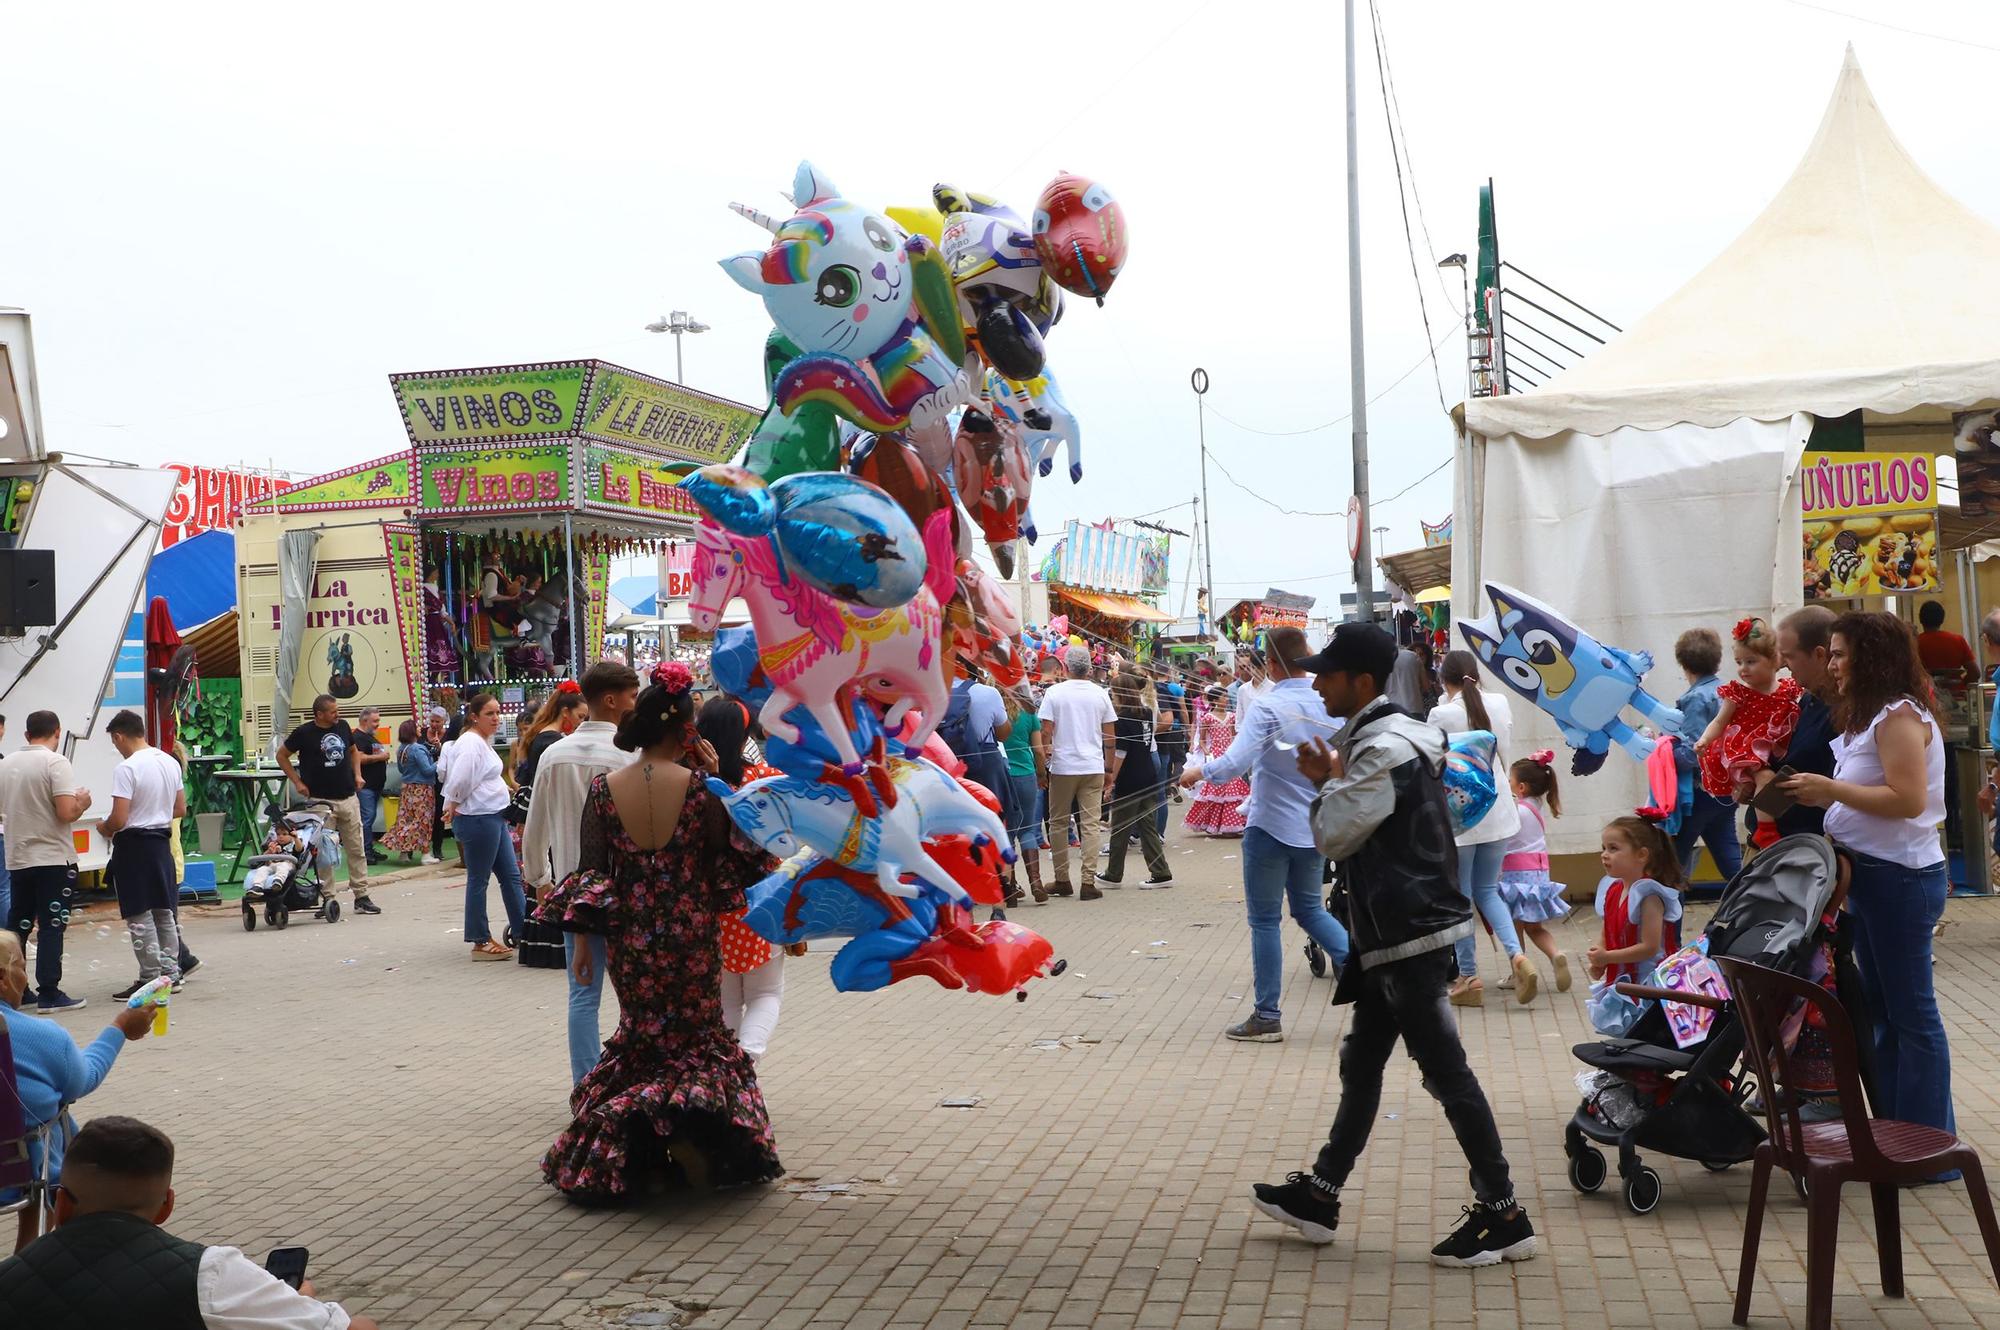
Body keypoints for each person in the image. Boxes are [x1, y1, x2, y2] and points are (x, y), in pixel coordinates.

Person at [1252, 623, 1536, 1268]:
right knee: (1362, 1061)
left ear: (1364, 682)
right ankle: (1320, 1194)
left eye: (1327, 675)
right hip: (1394, 930)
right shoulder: (1393, 736)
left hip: (1409, 932)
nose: (1316, 684)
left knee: (1447, 1075)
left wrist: (1328, 782)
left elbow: (1333, 834)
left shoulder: (1383, 748)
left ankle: (1505, 1213)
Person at [533, 661, 784, 1204]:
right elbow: (731, 860)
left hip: (632, 938)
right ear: (685, 730)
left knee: (642, 1037)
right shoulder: (700, 789)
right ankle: (699, 1140)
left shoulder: (603, 790)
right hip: (690, 932)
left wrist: (579, 942)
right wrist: (721, 779)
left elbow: (593, 874)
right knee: (696, 1041)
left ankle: (636, 1148)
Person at [1780, 611, 1956, 1153]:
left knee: (1912, 1015)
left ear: (1869, 657)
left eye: (1838, 653)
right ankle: (1899, 1133)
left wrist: (1830, 791)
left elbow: (1907, 801)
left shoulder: (1899, 716)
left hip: (1899, 878)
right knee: (1883, 1009)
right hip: (1872, 876)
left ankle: (1929, 1147)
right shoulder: (1871, 715)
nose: (1830, 663)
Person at [0, 1115, 380, 1328]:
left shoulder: (8, 1280)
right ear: (166, 1207)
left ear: (61, 1204)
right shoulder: (208, 1274)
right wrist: (294, 1304)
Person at [1180, 625, 1349, 1042]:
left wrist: (1198, 772)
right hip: (1315, 825)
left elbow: (1236, 763)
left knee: (1264, 921)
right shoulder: (1328, 701)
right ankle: (1374, 977)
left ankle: (1267, 1015)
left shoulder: (1268, 706)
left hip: (1270, 826)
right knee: (1310, 911)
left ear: (1270, 663)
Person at [523, 662, 641, 1083]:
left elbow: (534, 824)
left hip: (576, 892)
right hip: (627, 889)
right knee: (636, 997)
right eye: (631, 695)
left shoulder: (553, 755)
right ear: (610, 700)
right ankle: (633, 1082)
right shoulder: (629, 754)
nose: (635, 702)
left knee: (582, 994)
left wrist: (539, 879)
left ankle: (586, 1086)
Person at [1, 933, 155, 1253]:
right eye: (23, 967)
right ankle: (40, 1261)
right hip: (16, 1172)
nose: (25, 978)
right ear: (3, 978)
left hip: (16, 1164)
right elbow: (83, 1080)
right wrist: (121, 1027)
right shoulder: (39, 1036)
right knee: (42, 1129)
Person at [1430, 650, 1534, 1007]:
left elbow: (1431, 763)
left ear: (1444, 680)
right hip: (1499, 808)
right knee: (1488, 890)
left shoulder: (1440, 713)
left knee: (1459, 896)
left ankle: (1469, 977)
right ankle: (1517, 956)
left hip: (1459, 815)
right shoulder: (1500, 703)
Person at [698, 695, 793, 1062]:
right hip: (760, 899)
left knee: (726, 997)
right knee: (765, 992)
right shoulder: (765, 780)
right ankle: (745, 1059)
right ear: (743, 736)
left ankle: (725, 1070)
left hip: (707, 902)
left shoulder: (693, 782)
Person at [0, 710, 93, 1013]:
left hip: (18, 857)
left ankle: (17, 988)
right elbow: (65, 813)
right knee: (52, 925)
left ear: (26, 734)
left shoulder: (5, 765)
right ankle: (49, 992)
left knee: (18, 926)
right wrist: (82, 803)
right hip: (53, 857)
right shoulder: (56, 762)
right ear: (57, 732)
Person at [98, 711, 186, 998]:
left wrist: (104, 827)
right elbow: (180, 808)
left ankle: (149, 978)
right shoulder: (168, 762)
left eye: (114, 742)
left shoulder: (127, 768)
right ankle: (172, 974)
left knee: (139, 914)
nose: (116, 747)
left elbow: (119, 819)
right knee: (164, 912)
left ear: (119, 736)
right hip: (161, 844)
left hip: (134, 847)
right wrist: (155, 812)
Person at [1694, 617, 1802, 851]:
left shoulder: (1788, 689)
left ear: (1775, 660)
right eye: (1739, 662)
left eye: (1751, 661)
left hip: (1775, 746)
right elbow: (1720, 721)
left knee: (1770, 779)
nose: (1743, 668)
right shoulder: (1739, 694)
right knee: (1764, 778)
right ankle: (1766, 829)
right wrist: (1704, 739)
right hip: (1746, 747)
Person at [274, 696, 381, 916]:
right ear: (319, 714)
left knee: (356, 848)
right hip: (320, 802)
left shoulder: (342, 726)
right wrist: (297, 781)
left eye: (337, 710)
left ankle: (361, 896)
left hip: (348, 797)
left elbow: (352, 750)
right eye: (333, 711)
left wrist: (358, 774)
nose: (337, 714)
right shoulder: (304, 733)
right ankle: (328, 898)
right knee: (323, 853)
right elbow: (281, 755)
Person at [441, 692, 526, 962]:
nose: (496, 718)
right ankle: (479, 940)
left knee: (511, 876)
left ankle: (525, 931)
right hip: (478, 817)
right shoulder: (470, 743)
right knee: (479, 879)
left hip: (493, 816)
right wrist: (452, 804)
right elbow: (460, 778)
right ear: (474, 716)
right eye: (490, 713)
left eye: (498, 712)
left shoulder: (481, 742)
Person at [1040, 645, 1117, 901]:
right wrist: (1109, 769)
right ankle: (1088, 881)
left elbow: (1046, 731)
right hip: (1093, 765)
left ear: (1065, 667)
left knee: (1059, 822)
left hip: (1063, 766)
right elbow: (1109, 736)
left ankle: (1062, 879)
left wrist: (1046, 758)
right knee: (1091, 824)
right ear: (1090, 668)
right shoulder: (1100, 694)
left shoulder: (1054, 693)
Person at [1669, 627, 1743, 883]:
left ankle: (1668, 922)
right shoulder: (1726, 692)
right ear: (1718, 659)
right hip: (1726, 792)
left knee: (1672, 866)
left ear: (1682, 663)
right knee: (1731, 862)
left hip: (1699, 794)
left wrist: (1662, 748)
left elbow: (1693, 751)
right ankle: (1764, 913)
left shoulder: (1695, 699)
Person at [1586, 815, 1685, 994]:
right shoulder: (1613, 889)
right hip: (1622, 981)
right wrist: (1599, 956)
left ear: (1641, 855)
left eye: (1613, 848)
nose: (1604, 855)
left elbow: (1649, 947)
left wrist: (1608, 957)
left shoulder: (1649, 895)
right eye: (1604, 848)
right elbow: (1606, 931)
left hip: (1648, 984)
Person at [1497, 753, 1571, 992]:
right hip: (1539, 875)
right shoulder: (1536, 805)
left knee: (1514, 927)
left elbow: (1503, 837)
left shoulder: (1517, 812)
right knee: (1535, 928)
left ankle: (1518, 973)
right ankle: (1556, 954)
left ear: (1520, 787)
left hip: (1515, 876)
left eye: (1510, 781)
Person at [938, 669, 1012, 905]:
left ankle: (959, 884)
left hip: (948, 764)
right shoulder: (988, 692)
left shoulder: (934, 692)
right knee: (994, 821)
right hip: (987, 763)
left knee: (954, 825)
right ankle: (1001, 884)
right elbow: (1003, 733)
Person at [1773, 606, 1840, 839]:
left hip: (1810, 850)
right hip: (1785, 843)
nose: (1782, 665)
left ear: (1820, 655)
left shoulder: (1844, 713)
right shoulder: (1809, 699)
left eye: (1789, 656)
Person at [1102, 675, 1172, 888]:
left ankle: (1113, 874)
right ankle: (1161, 872)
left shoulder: (1121, 719)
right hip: (1148, 774)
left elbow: (1121, 753)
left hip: (1130, 779)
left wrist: (1110, 780)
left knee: (1120, 828)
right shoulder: (1146, 712)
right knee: (1147, 826)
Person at [999, 686, 1048, 903]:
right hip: (1026, 775)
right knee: (1027, 830)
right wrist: (1041, 774)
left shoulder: (995, 711)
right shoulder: (1029, 713)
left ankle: (1009, 888)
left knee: (1005, 833)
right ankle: (1036, 883)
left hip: (1001, 776)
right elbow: (1038, 749)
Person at [1183, 685, 1250, 837]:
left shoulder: (1232, 716)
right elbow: (1202, 739)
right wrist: (1208, 752)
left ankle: (1231, 824)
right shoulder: (1207, 717)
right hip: (1216, 755)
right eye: (1223, 697)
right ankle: (1222, 824)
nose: (1226, 700)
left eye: (1226, 697)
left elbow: (1234, 737)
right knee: (1218, 789)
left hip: (1229, 754)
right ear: (1215, 700)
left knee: (1232, 788)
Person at [380, 719, 440, 865]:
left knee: (405, 818)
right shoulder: (418, 749)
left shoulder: (402, 749)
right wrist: (440, 761)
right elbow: (427, 770)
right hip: (422, 790)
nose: (420, 729)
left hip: (407, 789)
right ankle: (426, 854)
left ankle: (404, 852)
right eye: (417, 728)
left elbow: (401, 769)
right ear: (412, 731)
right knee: (423, 820)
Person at [512, 682, 584, 792]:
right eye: (580, 716)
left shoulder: (541, 734)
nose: (581, 722)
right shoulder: (553, 741)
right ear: (565, 712)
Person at [350, 706, 390, 865]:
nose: (377, 724)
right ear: (364, 721)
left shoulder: (369, 737)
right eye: (375, 721)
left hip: (374, 786)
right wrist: (381, 757)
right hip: (366, 787)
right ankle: (365, 853)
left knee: (369, 818)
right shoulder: (358, 738)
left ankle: (369, 849)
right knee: (367, 819)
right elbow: (358, 758)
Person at [1914, 599, 1978, 683]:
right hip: (1956, 694)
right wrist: (1961, 685)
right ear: (1942, 619)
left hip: (1926, 693)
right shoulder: (1958, 640)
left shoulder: (1914, 643)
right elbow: (1975, 673)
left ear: (1920, 619)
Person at [1154, 665, 1189, 807]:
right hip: (1174, 727)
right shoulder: (1176, 688)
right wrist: (1187, 728)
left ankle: (1166, 788)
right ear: (1168, 673)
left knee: (1165, 759)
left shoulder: (1153, 687)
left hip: (1160, 730)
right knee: (1180, 759)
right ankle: (1175, 782)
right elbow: (1183, 710)